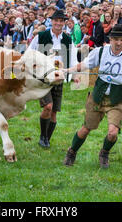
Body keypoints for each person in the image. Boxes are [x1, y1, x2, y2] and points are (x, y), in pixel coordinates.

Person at [62, 25, 122, 168]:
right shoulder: (100, 52)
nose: (118, 43)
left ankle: (104, 153)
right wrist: (67, 71)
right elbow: (83, 65)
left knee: (112, 133)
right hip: (98, 96)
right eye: (116, 39)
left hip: (118, 99)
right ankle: (72, 152)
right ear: (110, 39)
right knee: (85, 129)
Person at [28, 9, 77, 149]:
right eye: (56, 20)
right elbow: (30, 53)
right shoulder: (41, 36)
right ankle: (43, 136)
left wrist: (74, 75)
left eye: (61, 21)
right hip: (43, 78)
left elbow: (73, 59)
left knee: (54, 112)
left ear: (64, 23)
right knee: (48, 107)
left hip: (58, 78)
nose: (58, 23)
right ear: (51, 21)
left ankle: (46, 139)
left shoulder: (68, 39)